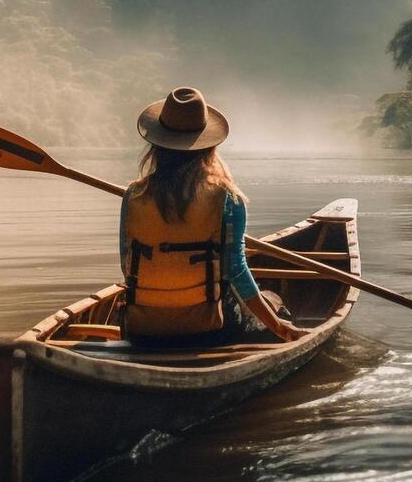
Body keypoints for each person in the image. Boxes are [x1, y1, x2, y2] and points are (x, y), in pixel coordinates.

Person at [121, 87, 304, 345]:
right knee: (274, 302)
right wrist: (276, 325)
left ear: (156, 146)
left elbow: (126, 264)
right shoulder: (228, 198)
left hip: (143, 328)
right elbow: (236, 271)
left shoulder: (133, 195)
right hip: (210, 329)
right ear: (208, 145)